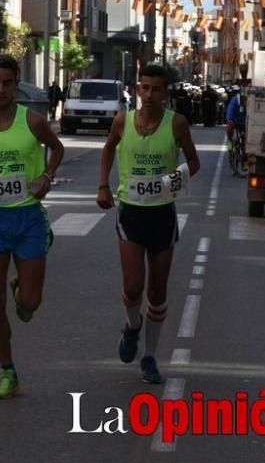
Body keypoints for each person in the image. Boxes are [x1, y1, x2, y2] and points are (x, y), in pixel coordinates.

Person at [0, 54, 64, 399]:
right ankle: (7, 371)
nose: (0, 89)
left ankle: (22, 285)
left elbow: (57, 148)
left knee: (30, 304)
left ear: (16, 84)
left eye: (7, 82)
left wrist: (47, 176)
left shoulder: (32, 122)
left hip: (29, 220)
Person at [97, 63, 200, 384]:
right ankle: (132, 326)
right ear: (137, 89)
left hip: (162, 216)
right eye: (145, 88)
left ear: (166, 93)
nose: (150, 94)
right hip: (131, 212)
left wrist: (172, 180)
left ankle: (150, 356)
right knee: (132, 286)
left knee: (157, 291)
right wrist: (103, 185)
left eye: (156, 89)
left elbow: (193, 163)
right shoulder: (122, 121)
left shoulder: (177, 123)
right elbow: (108, 149)